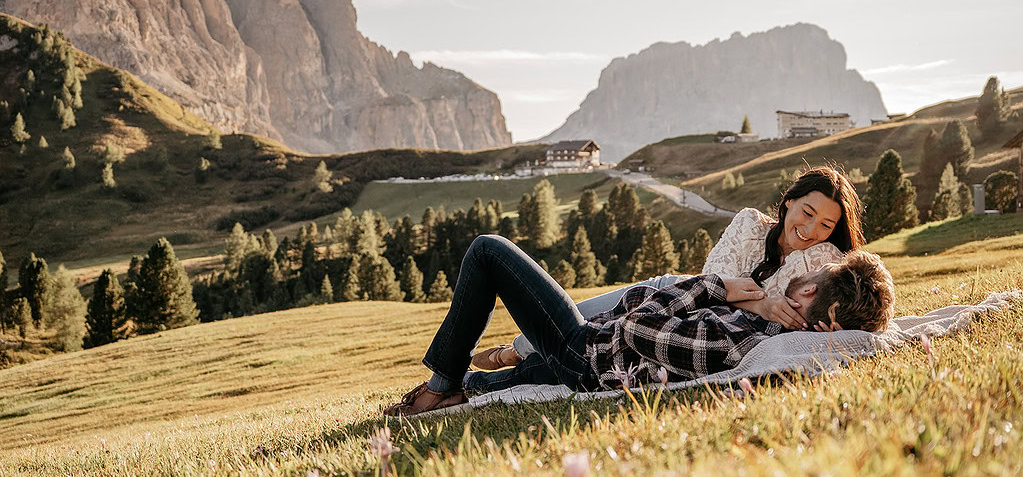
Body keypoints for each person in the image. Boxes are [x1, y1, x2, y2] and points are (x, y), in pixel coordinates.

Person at [382, 233, 894, 416]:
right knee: (493, 385)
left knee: (488, 252)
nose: (805, 272)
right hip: (603, 350)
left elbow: (637, 330)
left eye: (813, 274)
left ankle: (438, 386)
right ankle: (462, 388)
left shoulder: (746, 340)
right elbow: (648, 315)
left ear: (807, 293)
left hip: (589, 352)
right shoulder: (762, 322)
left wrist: (713, 286)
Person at [474, 166, 864, 375]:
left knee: (582, 340)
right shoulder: (748, 223)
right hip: (671, 292)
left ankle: (517, 363)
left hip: (686, 322)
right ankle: (515, 350)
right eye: (807, 213)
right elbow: (713, 279)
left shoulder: (818, 257)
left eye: (826, 225)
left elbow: (850, 291)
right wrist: (762, 305)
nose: (811, 230)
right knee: (578, 319)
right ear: (789, 202)